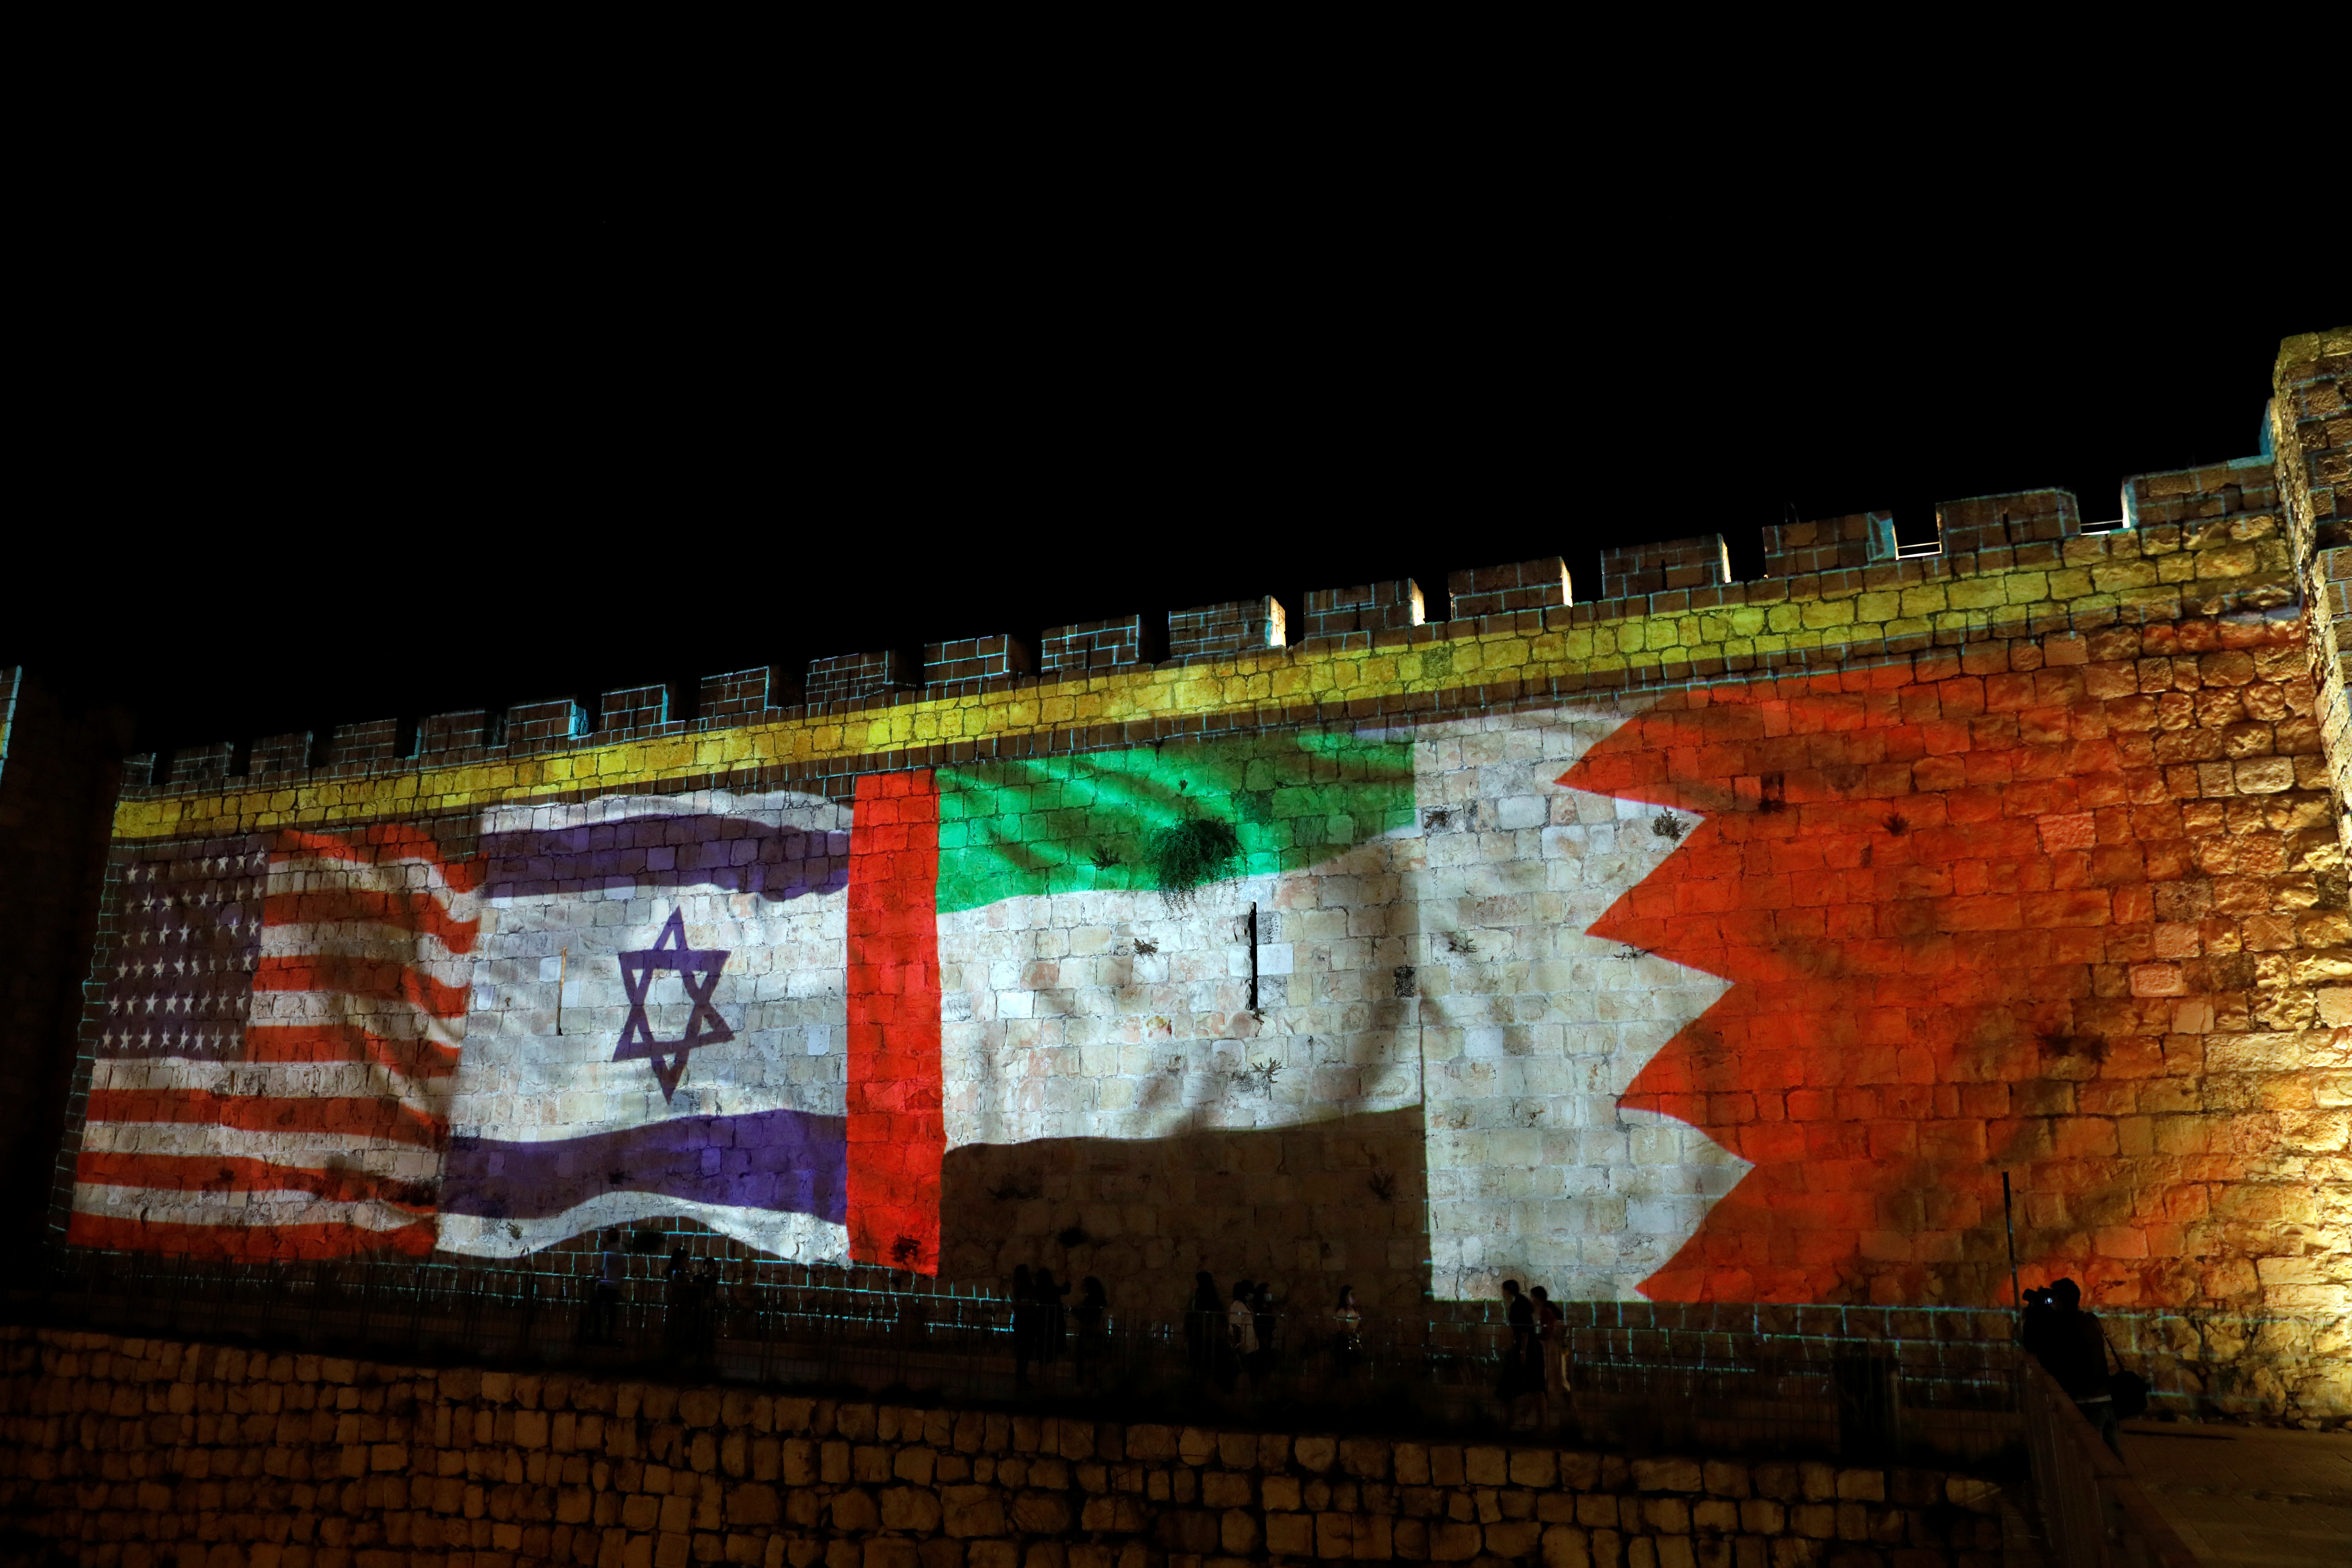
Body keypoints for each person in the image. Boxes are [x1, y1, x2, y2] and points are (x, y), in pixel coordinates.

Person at [2035, 1278, 2121, 1456]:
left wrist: (2038, 1318)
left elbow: (2047, 1356)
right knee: (2111, 1454)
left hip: (2085, 1400)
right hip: (2104, 1395)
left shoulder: (2067, 1327)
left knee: (2087, 1455)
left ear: (2059, 1299)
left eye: (2053, 1299)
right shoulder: (2088, 1320)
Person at [1530, 1286, 1566, 1427]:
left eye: (1533, 1297)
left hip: (1548, 1349)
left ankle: (1543, 1420)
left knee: (1548, 1378)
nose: (1532, 1300)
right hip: (1553, 1347)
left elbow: (1547, 1331)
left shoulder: (1545, 1311)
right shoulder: (1549, 1310)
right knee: (1558, 1380)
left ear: (1538, 1298)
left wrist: (1535, 1336)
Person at [1500, 1280, 1534, 1407]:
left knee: (1519, 1381)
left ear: (1508, 1291)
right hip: (1525, 1346)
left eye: (1504, 1290)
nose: (1502, 1293)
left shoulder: (1518, 1306)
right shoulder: (1521, 1303)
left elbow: (1524, 1330)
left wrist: (1522, 1351)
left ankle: (1521, 1409)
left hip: (1526, 1347)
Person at [588, 1229, 623, 1345]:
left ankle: (597, 1333)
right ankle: (610, 1334)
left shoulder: (608, 1251)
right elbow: (624, 1268)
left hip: (605, 1284)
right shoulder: (623, 1249)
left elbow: (602, 1268)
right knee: (612, 1310)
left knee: (595, 1306)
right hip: (616, 1284)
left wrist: (593, 1277)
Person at [1185, 1272, 1222, 1383]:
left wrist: (1187, 1333)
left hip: (1198, 1335)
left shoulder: (1197, 1298)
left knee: (1197, 1367)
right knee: (1209, 1370)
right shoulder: (1215, 1298)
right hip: (1214, 1338)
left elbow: (1190, 1315)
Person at [1035, 1267, 1071, 1374]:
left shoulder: (1038, 1290)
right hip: (1054, 1322)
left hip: (1042, 1321)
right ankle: (1047, 1377)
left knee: (1043, 1350)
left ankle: (1041, 1376)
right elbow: (1066, 1290)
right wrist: (1067, 1279)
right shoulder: (1053, 1289)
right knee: (1051, 1349)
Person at [1073, 1277, 1108, 1382]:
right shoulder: (1100, 1299)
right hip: (1097, 1332)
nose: (1082, 1287)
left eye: (1084, 1285)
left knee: (1083, 1358)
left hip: (1088, 1331)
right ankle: (1097, 1382)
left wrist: (1074, 1311)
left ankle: (1081, 1381)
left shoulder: (1089, 1300)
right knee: (1095, 1358)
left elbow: (1085, 1317)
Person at [1227, 1280, 1260, 1390]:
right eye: (1251, 1292)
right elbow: (1236, 1327)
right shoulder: (1238, 1305)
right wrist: (1235, 1345)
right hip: (1245, 1347)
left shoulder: (1245, 1305)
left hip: (1250, 1346)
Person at [1011, 1265, 1036, 1387]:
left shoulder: (1017, 1289)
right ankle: (1021, 1379)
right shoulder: (1028, 1290)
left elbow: (1015, 1307)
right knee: (1025, 1351)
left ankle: (1021, 1378)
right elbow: (1029, 1305)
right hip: (1028, 1321)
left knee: (1021, 1352)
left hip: (1020, 1321)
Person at [1251, 1281, 1280, 1382]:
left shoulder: (1269, 1308)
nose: (1269, 1294)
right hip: (1262, 1343)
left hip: (1270, 1342)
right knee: (1261, 1370)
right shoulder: (1257, 1310)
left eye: (1270, 1292)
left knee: (1269, 1371)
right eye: (1267, 1292)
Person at [1332, 1286, 1364, 1376]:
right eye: (1352, 1295)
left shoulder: (1355, 1311)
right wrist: (1352, 1340)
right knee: (1345, 1370)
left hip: (1353, 1339)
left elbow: (1359, 1326)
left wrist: (1358, 1336)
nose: (1354, 1297)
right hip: (1345, 1341)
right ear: (1346, 1297)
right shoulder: (1342, 1311)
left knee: (1354, 1368)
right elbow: (1344, 1328)